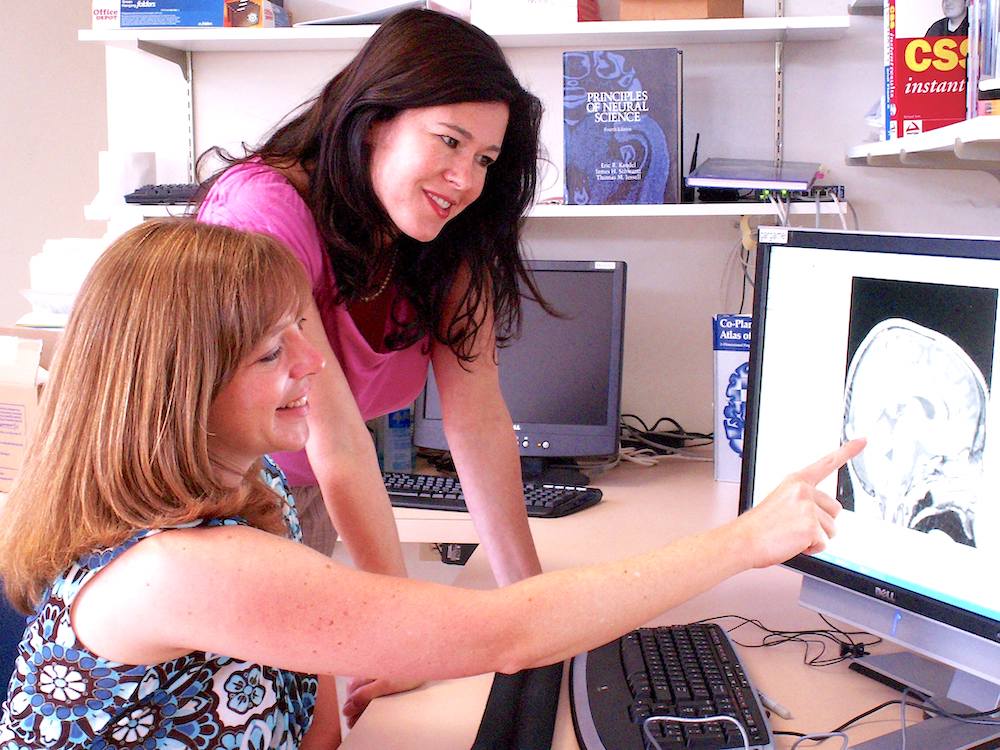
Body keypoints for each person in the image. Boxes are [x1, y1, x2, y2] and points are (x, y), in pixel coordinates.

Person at [0, 219, 862, 749]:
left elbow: (314, 721)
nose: (313, 363)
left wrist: (384, 640)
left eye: (302, 328)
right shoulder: (180, 568)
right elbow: (511, 635)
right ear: (175, 387)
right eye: (272, 352)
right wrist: (745, 540)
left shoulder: (246, 486)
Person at [196, 8, 549, 717]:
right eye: (448, 141)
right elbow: (332, 435)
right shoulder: (264, 214)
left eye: (483, 158)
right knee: (267, 717)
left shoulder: (448, 234)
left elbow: (476, 416)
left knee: (329, 712)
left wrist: (535, 607)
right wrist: (403, 637)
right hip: (213, 504)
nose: (464, 178)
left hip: (315, 491)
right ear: (373, 119)